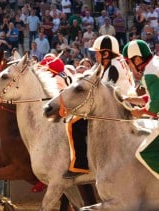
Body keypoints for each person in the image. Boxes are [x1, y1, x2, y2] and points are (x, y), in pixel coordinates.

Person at [63, 35, 135, 178]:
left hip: (119, 110)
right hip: (121, 105)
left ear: (106, 53)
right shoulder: (113, 64)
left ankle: (80, 166)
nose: (95, 55)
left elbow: (102, 95)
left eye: (97, 52)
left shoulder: (113, 67)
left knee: (74, 124)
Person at [122, 39, 159, 178]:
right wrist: (132, 99)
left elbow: (155, 104)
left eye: (128, 62)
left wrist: (141, 112)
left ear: (137, 59)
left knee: (145, 153)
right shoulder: (154, 64)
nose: (129, 66)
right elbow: (152, 97)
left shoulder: (150, 73)